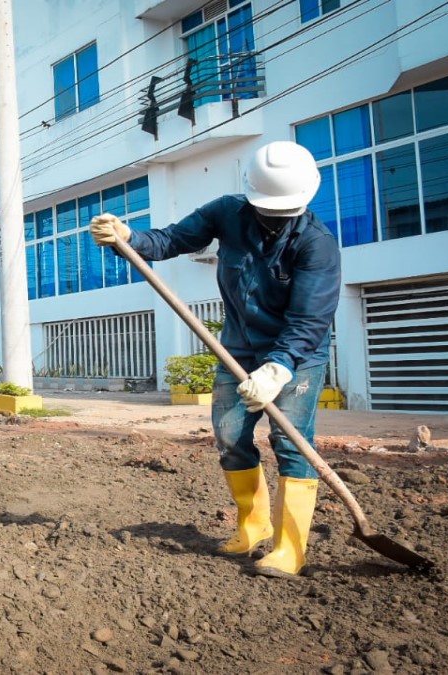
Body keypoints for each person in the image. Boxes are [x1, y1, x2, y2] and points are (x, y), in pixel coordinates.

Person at [90, 141, 341, 577]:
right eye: (268, 208)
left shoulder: (317, 245)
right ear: (252, 193)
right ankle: (253, 526)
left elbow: (309, 320)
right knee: (229, 435)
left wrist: (278, 368)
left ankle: (291, 547)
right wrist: (129, 237)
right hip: (238, 348)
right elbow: (170, 239)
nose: (275, 217)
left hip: (297, 355)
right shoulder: (228, 211)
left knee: (291, 444)